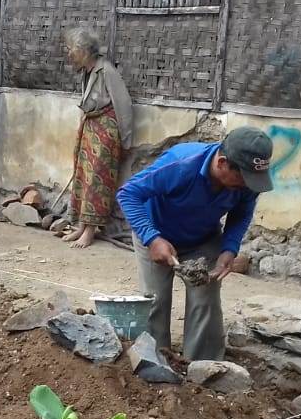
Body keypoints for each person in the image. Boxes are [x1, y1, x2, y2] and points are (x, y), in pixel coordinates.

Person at [116, 127, 274, 361]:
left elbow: (242, 213)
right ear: (222, 163)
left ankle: (202, 367)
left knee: (205, 298)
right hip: (156, 233)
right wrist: (152, 238)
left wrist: (229, 248)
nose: (249, 186)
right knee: (155, 300)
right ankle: (157, 363)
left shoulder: (247, 184)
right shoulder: (180, 165)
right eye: (243, 178)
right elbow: (128, 194)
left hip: (203, 238)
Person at [61, 26, 133, 249]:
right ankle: (83, 225)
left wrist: (126, 139)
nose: (69, 53)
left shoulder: (106, 71)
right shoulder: (89, 70)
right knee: (83, 175)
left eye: (71, 49)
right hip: (92, 127)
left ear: (83, 50)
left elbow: (123, 105)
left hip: (105, 131)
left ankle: (91, 230)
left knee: (97, 180)